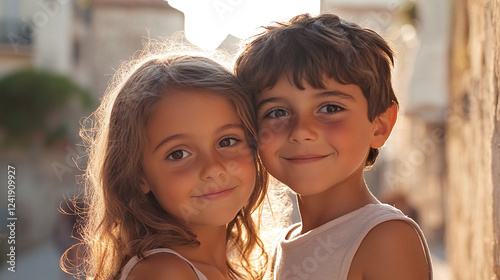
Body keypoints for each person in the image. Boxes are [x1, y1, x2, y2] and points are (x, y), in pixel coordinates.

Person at [235, 13, 433, 279]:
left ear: (380, 126)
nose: (302, 131)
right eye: (277, 112)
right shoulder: (285, 243)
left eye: (330, 108)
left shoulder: (384, 238)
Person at [64, 49, 272, 280]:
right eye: (178, 154)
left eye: (227, 141)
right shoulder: (164, 273)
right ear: (138, 175)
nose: (213, 168)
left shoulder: (218, 268)